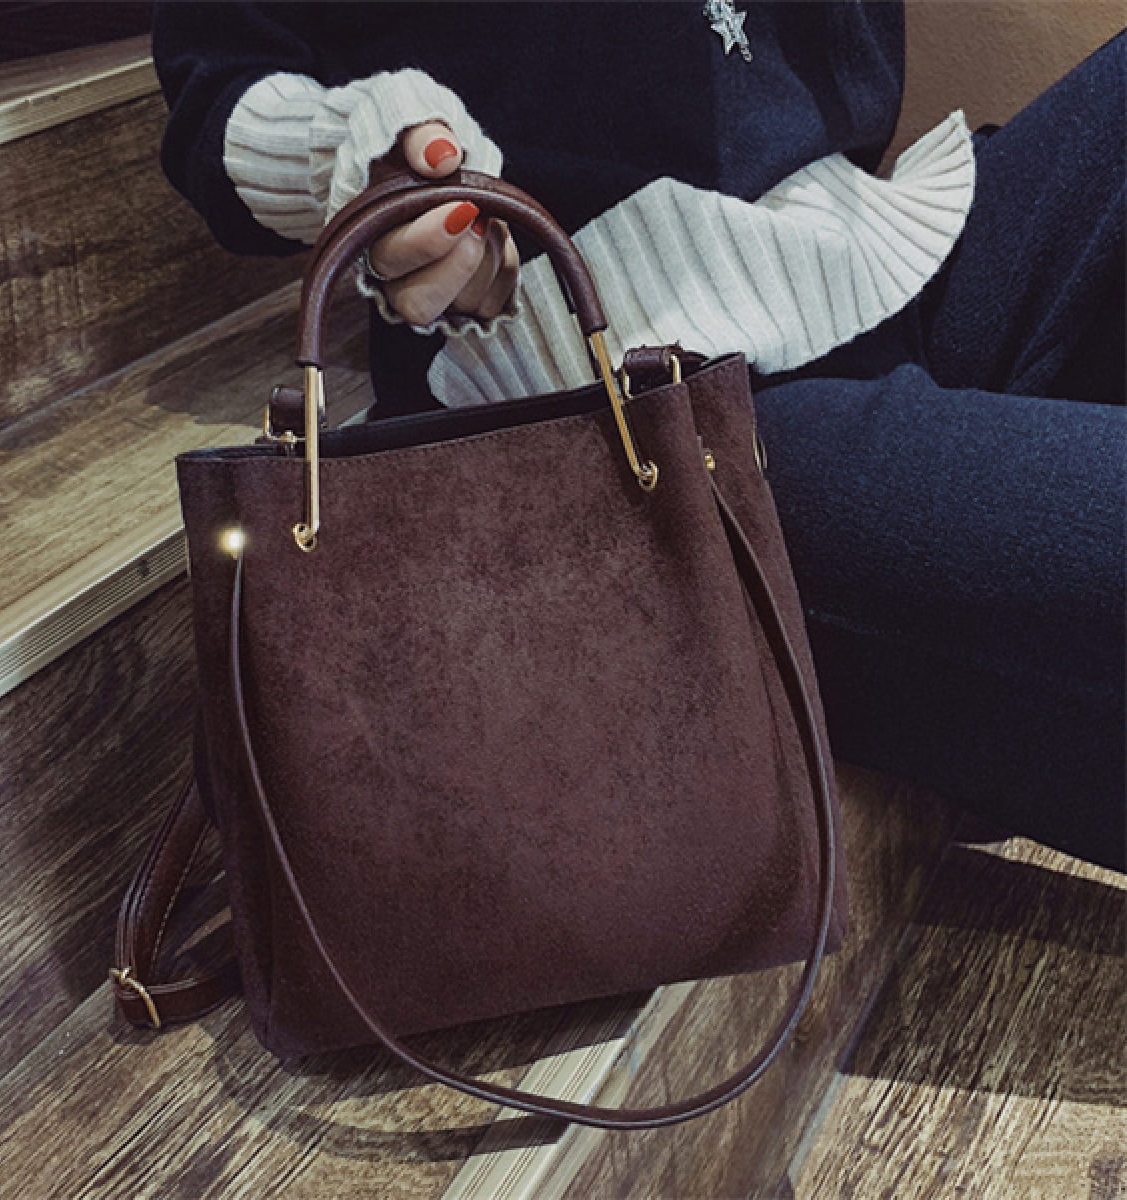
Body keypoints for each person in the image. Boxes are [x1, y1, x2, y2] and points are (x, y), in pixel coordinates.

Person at [152, 2, 1125, 872]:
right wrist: (359, 148)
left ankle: (982, 638)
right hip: (637, 408)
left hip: (866, 252)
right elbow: (223, 78)